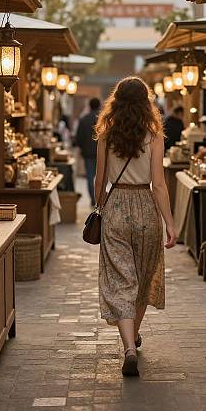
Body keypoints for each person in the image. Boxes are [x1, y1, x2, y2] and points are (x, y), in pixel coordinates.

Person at [94, 77, 177, 377]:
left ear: (116, 101)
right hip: (146, 208)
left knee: (120, 280)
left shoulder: (106, 132)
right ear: (147, 102)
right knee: (141, 278)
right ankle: (135, 335)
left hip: (116, 207)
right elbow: (159, 184)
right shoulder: (154, 133)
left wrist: (100, 205)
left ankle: (129, 346)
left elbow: (99, 179)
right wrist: (170, 223)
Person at [75, 97, 100, 206]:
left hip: (88, 153)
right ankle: (100, 199)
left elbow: (78, 137)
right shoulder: (103, 119)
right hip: (101, 153)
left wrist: (82, 148)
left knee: (90, 177)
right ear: (99, 106)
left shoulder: (84, 119)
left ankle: (93, 200)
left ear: (89, 106)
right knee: (101, 177)